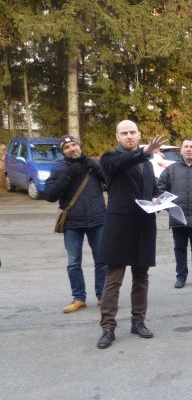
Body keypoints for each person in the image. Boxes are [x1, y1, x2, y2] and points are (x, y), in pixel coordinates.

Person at [96, 120, 166, 349]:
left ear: (139, 134)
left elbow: (153, 189)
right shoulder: (109, 158)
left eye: (132, 132)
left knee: (141, 278)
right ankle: (108, 328)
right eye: (124, 133)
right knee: (113, 280)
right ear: (117, 137)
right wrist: (144, 152)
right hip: (119, 226)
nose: (128, 136)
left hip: (144, 225)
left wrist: (157, 200)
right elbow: (120, 164)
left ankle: (138, 322)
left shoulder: (147, 164)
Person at [45, 135, 107, 312]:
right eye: (67, 147)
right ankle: (79, 298)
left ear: (79, 145)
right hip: (72, 223)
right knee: (73, 263)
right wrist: (68, 175)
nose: (72, 149)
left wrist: (96, 167)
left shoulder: (93, 164)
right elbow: (50, 196)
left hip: (98, 220)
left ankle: (103, 296)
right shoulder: (59, 170)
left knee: (102, 261)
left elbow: (110, 183)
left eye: (74, 145)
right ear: (62, 152)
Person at [157, 139, 192, 288]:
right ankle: (181, 277)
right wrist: (169, 207)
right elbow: (160, 189)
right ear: (181, 150)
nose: (189, 149)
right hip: (178, 218)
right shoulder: (170, 170)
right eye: (186, 147)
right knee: (179, 249)